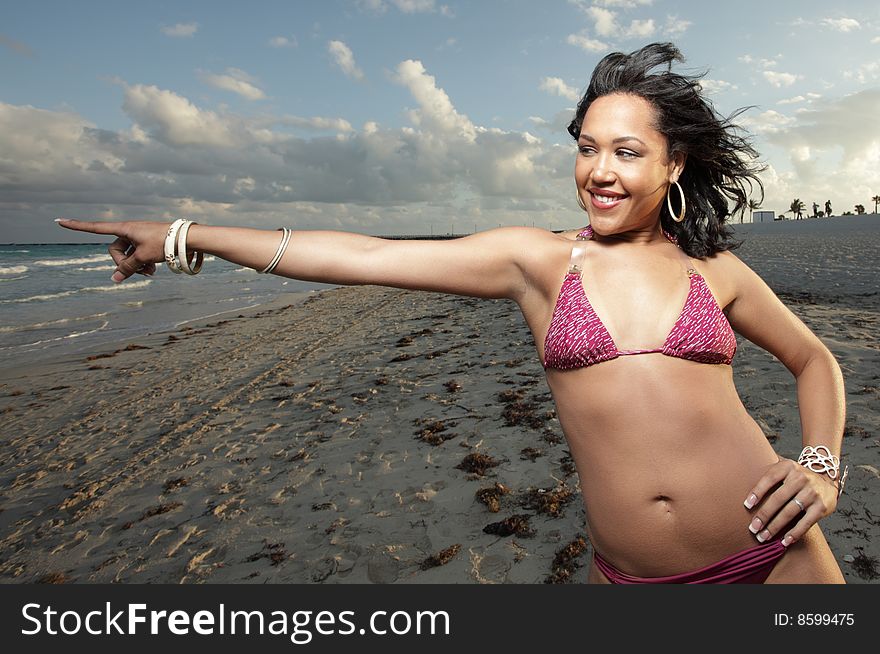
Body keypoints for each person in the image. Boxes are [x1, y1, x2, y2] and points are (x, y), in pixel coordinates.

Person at [56, 42, 849, 584]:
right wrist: (183, 236)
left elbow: (815, 361)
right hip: (632, 578)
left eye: (627, 152)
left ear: (674, 163)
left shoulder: (715, 269)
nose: (599, 172)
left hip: (777, 558)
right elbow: (361, 256)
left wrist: (820, 467)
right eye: (586, 147)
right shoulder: (537, 263)